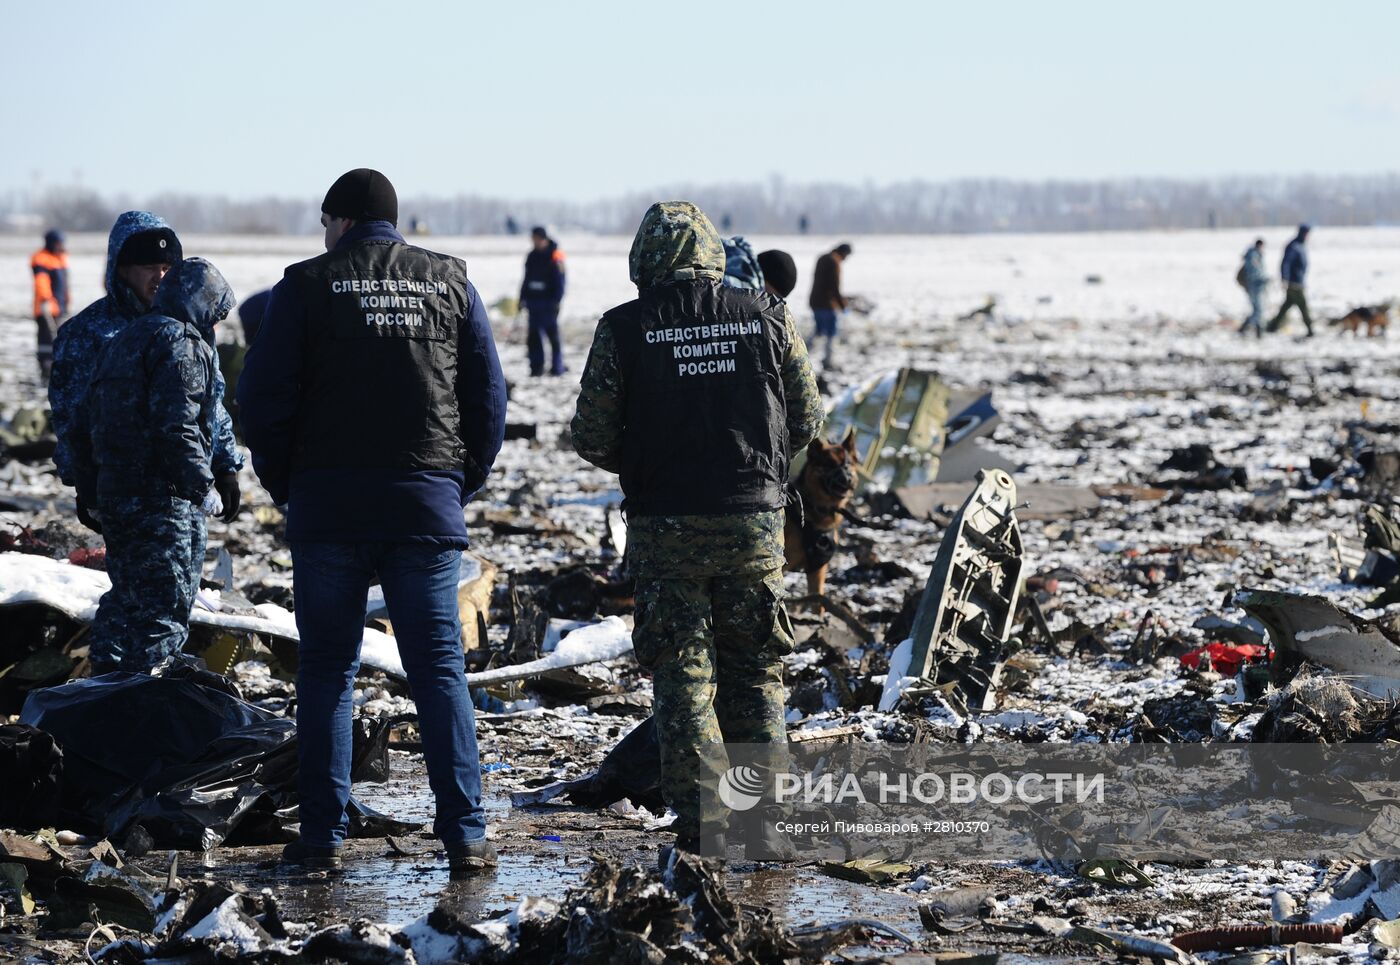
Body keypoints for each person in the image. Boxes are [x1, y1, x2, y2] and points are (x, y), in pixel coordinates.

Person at [238, 169, 507, 876]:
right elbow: (488, 396)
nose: (323, 235)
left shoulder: (304, 285)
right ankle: (465, 835)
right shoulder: (450, 281)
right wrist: (456, 482)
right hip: (422, 507)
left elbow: (260, 399)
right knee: (439, 671)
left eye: (326, 221)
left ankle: (322, 838)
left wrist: (287, 485)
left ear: (345, 221)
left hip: (328, 511)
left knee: (328, 671)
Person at [571, 201, 823, 861]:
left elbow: (591, 434)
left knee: (684, 674)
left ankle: (704, 820)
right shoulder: (767, 314)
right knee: (754, 671)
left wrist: (649, 459)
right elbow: (808, 416)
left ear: (645, 261)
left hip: (666, 528)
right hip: (753, 525)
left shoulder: (626, 328)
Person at [71, 259, 236, 674]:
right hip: (163, 504)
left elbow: (81, 422)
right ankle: (145, 709)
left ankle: (103, 692)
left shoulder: (122, 340)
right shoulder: (180, 341)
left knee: (124, 599)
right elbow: (176, 425)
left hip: (116, 498)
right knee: (163, 611)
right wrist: (203, 488)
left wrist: (89, 491)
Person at [50, 212, 242, 534]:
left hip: (186, 494)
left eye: (167, 268)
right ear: (121, 270)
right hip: (125, 496)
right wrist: (84, 484)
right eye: (148, 267)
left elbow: (210, 401)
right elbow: (71, 417)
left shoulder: (189, 329)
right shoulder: (86, 334)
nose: (160, 277)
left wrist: (225, 465)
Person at [518, 226, 566, 376]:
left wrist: (557, 301)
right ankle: (536, 368)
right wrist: (521, 298)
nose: (534, 242)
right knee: (533, 337)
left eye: (536, 239)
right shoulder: (531, 256)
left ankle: (557, 367)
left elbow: (560, 281)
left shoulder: (555, 256)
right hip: (533, 303)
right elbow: (526, 279)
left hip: (548, 303)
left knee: (553, 337)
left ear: (543, 238)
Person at [31, 229, 70, 382]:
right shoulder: (41, 258)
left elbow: (64, 284)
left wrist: (66, 300)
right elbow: (41, 281)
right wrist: (45, 299)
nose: (61, 246)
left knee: (57, 338)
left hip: (59, 306)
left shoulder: (60, 258)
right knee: (46, 339)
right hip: (45, 308)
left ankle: (55, 366)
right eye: (59, 243)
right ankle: (45, 367)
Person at [809, 242, 852, 366]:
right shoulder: (834, 262)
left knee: (818, 330)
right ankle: (828, 361)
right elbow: (835, 287)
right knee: (831, 333)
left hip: (814, 301)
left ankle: (801, 356)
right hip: (827, 304)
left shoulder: (822, 258)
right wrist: (843, 305)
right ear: (843, 253)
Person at [1266, 225, 1313, 337]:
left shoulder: (1301, 245)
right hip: (1294, 283)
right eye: (1306, 233)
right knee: (1303, 306)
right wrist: (1285, 279)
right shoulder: (1294, 246)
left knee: (1286, 305)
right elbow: (1285, 263)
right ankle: (1310, 329)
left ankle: (1272, 326)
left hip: (1299, 281)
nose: (1308, 236)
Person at [1238, 239, 1269, 339]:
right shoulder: (1253, 256)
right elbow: (1254, 272)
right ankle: (1248, 328)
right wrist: (1264, 279)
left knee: (1257, 309)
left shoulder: (1256, 255)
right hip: (1255, 286)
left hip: (1257, 285)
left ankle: (1256, 330)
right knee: (1258, 309)